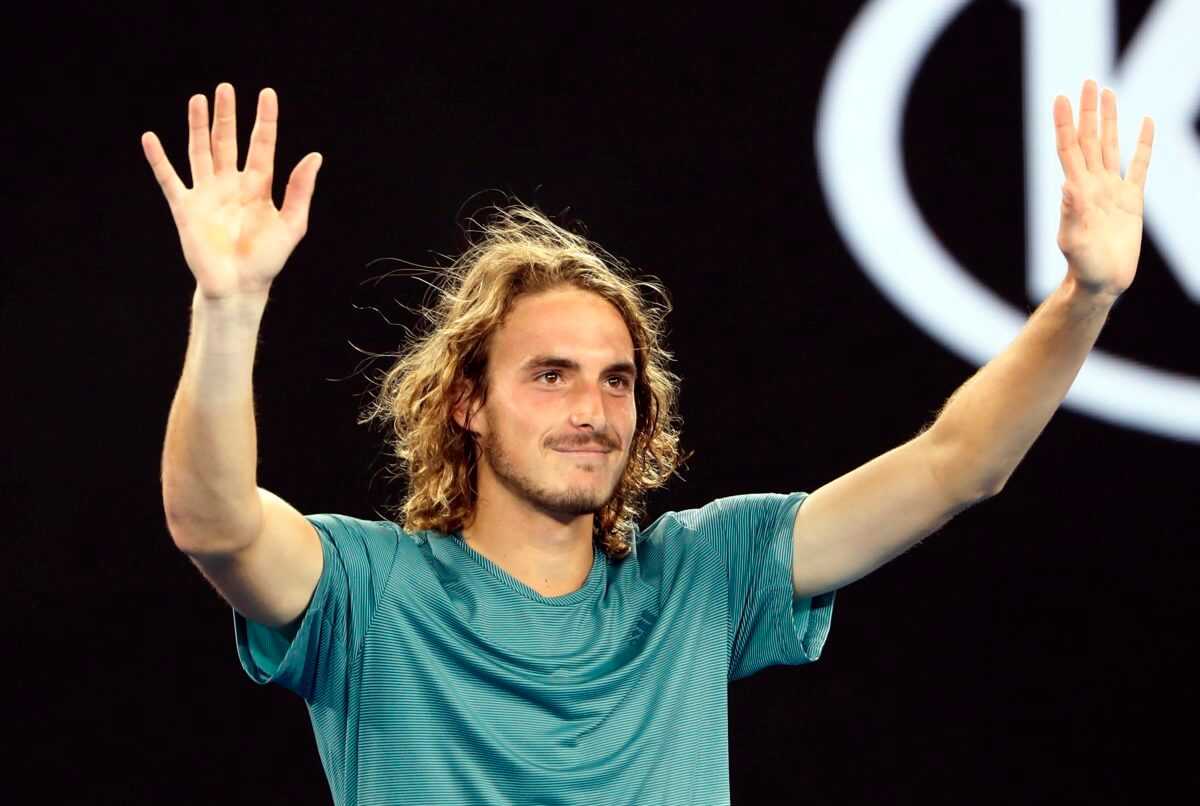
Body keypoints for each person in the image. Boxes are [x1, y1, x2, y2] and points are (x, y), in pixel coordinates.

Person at [144, 80, 1153, 805]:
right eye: (551, 374)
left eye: (617, 378)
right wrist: (227, 305)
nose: (593, 406)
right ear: (468, 404)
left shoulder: (706, 574)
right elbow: (214, 523)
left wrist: (1086, 296)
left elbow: (956, 464)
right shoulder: (369, 592)